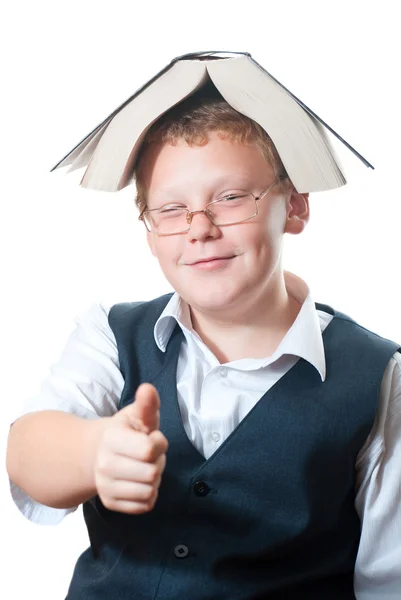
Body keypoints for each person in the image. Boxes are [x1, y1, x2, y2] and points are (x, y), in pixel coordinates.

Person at [6, 85, 401, 599]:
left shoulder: (380, 378)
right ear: (149, 234)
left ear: (296, 208)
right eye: (170, 210)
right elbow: (28, 453)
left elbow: (388, 581)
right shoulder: (111, 336)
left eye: (231, 197)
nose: (199, 228)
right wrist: (94, 450)